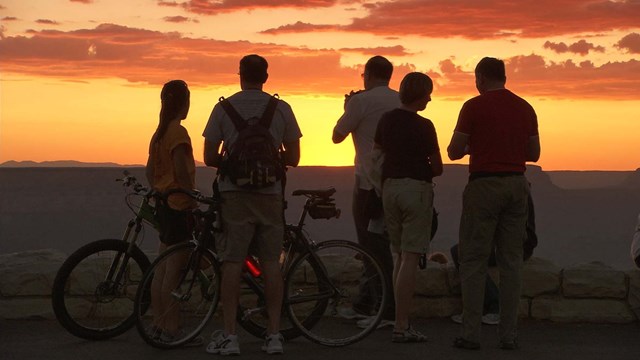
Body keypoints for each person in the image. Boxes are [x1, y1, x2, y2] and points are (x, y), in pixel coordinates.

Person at [202, 54, 302, 355]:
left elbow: (208, 158)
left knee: (232, 262)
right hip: (271, 195)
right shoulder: (281, 108)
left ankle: (231, 335)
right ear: (266, 78)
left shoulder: (222, 108)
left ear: (239, 75)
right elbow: (294, 158)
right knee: (271, 263)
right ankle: (273, 335)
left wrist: (235, 166)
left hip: (234, 195)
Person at [447, 57, 540, 350]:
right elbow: (534, 153)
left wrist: (478, 144)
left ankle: (470, 334)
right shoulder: (525, 107)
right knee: (511, 263)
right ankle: (509, 335)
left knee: (473, 259)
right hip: (516, 185)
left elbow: (453, 151)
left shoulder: (473, 107)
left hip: (484, 185)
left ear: (481, 78)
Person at [332, 55, 401, 328]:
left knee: (370, 246)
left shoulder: (361, 101)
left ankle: (382, 309)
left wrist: (348, 107)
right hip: (395, 184)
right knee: (384, 245)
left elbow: (337, 135)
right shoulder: (399, 99)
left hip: (367, 186)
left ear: (368, 74)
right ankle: (366, 302)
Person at [374, 72, 443, 342]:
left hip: (389, 189)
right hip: (416, 190)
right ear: (420, 94)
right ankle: (402, 325)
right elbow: (436, 167)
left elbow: (376, 154)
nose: (430, 98)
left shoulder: (386, 120)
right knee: (411, 256)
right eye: (428, 93)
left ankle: (397, 318)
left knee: (398, 255)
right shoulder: (425, 126)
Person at [145, 79, 201, 345]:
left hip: (163, 204)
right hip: (179, 206)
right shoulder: (178, 132)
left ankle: (157, 324)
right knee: (174, 273)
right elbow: (181, 169)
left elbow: (148, 171)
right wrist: (192, 196)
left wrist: (159, 188)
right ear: (183, 102)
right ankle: (173, 330)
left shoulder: (159, 133)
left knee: (161, 269)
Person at [449, 192, 539, 326]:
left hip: (514, 246)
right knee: (460, 251)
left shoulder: (505, 192)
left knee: (463, 253)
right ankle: (480, 309)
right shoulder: (519, 186)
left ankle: (494, 305)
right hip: (510, 243)